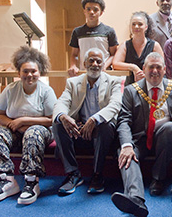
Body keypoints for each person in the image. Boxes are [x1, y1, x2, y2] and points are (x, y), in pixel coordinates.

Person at [112, 52, 172, 217]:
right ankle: (136, 198)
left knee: (171, 128)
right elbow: (123, 121)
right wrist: (127, 145)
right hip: (139, 139)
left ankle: (158, 179)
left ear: (165, 70)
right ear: (144, 68)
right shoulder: (131, 90)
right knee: (125, 153)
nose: (155, 71)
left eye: (159, 67)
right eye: (151, 67)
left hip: (164, 138)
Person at [0, 46, 57, 205]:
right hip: (15, 130)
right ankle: (7, 181)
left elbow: (52, 119)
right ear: (19, 73)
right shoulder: (10, 90)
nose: (29, 75)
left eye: (33, 71)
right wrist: (12, 124)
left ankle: (31, 182)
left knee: (33, 132)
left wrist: (23, 121)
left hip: (41, 131)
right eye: (25, 71)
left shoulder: (46, 91)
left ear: (40, 72)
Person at [52, 48, 122, 195]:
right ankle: (73, 174)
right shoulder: (72, 83)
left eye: (98, 61)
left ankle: (97, 175)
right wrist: (63, 116)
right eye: (91, 60)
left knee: (105, 125)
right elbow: (61, 103)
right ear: (84, 63)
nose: (95, 64)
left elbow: (115, 105)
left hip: (103, 133)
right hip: (80, 130)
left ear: (103, 65)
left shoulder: (113, 82)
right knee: (58, 122)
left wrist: (94, 119)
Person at [68, 0, 119, 76]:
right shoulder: (77, 32)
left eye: (95, 10)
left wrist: (104, 66)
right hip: (85, 73)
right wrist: (73, 66)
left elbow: (114, 54)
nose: (91, 12)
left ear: (101, 12)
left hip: (104, 74)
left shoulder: (109, 31)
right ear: (84, 11)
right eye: (88, 9)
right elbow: (74, 54)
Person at [113, 11, 164, 86]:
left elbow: (161, 65)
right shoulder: (124, 45)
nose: (136, 27)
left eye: (140, 24)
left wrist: (145, 74)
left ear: (146, 27)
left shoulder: (155, 45)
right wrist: (133, 67)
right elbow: (115, 64)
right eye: (133, 24)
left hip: (151, 85)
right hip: (130, 87)